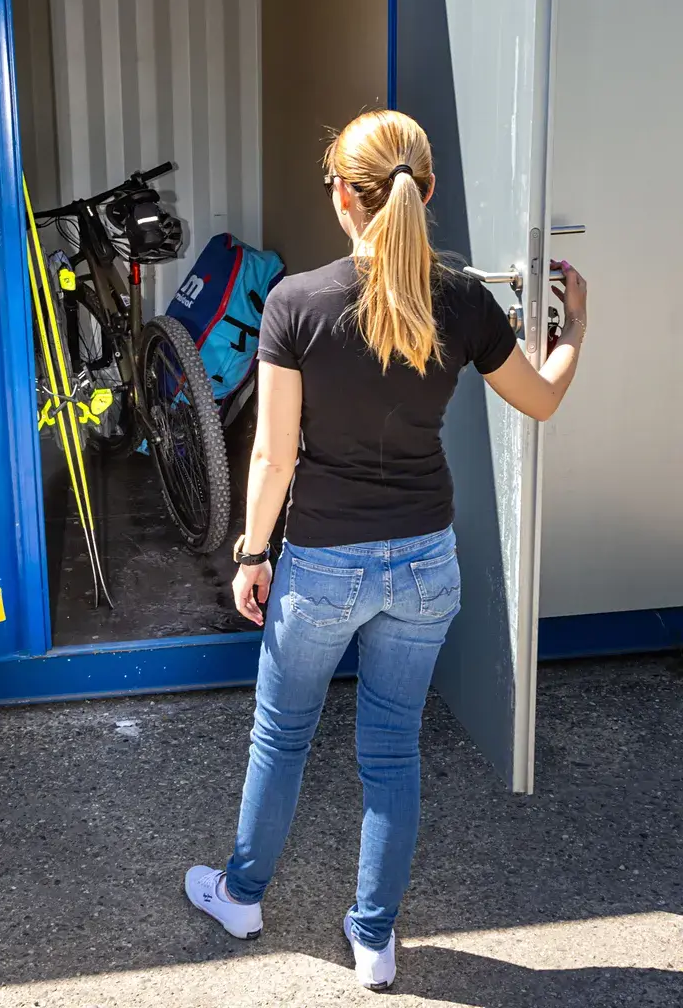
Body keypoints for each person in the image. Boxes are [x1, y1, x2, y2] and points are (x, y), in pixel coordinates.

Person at [185, 109, 587, 991]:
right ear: (426, 190)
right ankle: (374, 940)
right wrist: (574, 329)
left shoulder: (296, 303)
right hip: (425, 566)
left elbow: (274, 455)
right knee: (392, 751)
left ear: (342, 196)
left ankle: (242, 896)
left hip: (322, 565)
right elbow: (543, 400)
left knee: (281, 737)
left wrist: (253, 554)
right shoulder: (464, 301)